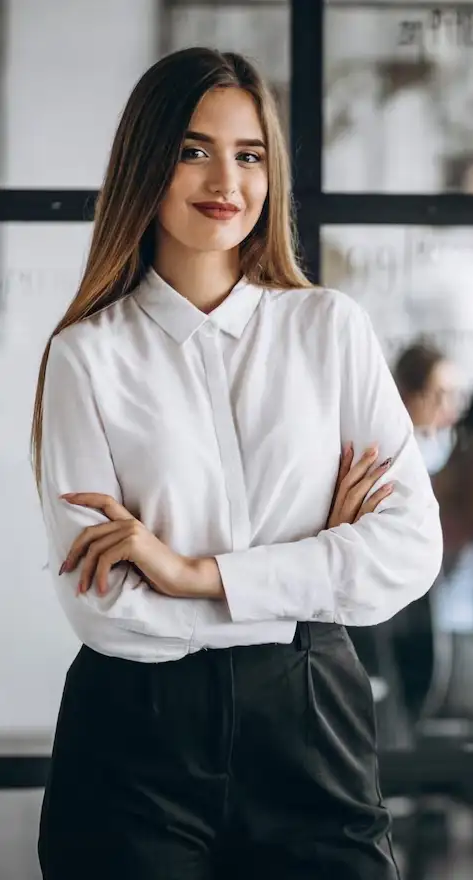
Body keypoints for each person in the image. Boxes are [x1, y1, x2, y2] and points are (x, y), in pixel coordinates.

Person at [32, 48, 442, 880]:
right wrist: (307, 576)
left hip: (311, 724)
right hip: (133, 744)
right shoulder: (84, 357)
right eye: (192, 149)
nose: (226, 178)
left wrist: (192, 573)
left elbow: (407, 553)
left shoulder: (330, 330)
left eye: (249, 154)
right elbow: (105, 611)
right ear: (145, 163)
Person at [393, 338, 465, 475]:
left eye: (452, 394)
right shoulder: (393, 456)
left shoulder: (453, 448)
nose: (447, 406)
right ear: (410, 397)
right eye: (438, 394)